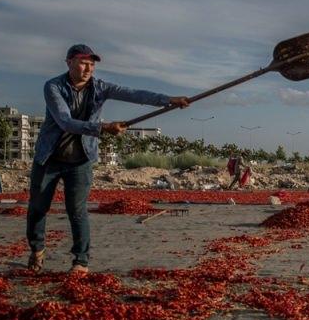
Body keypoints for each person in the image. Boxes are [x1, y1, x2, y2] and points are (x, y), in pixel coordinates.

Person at [26, 44, 189, 274]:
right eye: (83, 62)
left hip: (80, 160)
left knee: (78, 210)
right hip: (49, 158)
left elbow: (134, 94)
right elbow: (65, 121)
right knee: (38, 208)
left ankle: (81, 261)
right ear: (69, 62)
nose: (88, 68)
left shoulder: (100, 88)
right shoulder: (53, 87)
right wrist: (103, 128)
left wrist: (168, 99)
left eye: (92, 64)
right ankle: (37, 249)